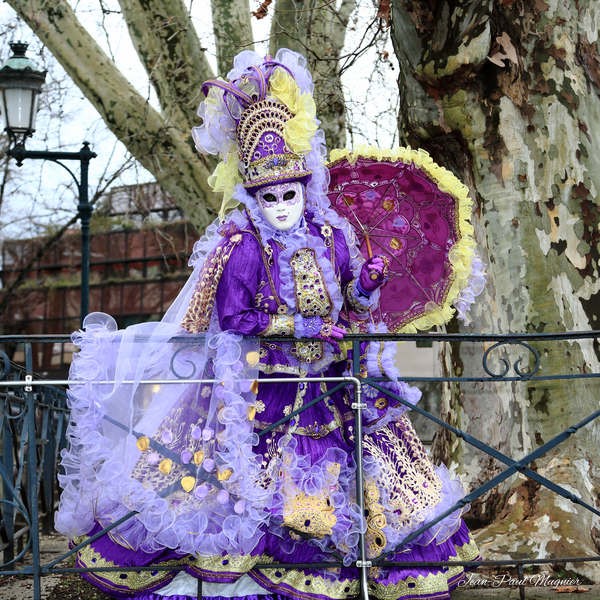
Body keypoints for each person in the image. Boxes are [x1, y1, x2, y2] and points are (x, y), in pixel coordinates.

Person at [55, 49, 479, 600]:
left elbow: (353, 300)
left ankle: (362, 570)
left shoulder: (332, 236)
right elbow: (235, 317)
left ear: (306, 189)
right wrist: (299, 329)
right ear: (253, 197)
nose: (281, 205)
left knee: (371, 472)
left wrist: (370, 280)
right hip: (265, 383)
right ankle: (257, 566)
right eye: (269, 196)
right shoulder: (244, 247)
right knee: (254, 478)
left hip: (334, 379)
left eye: (290, 193)